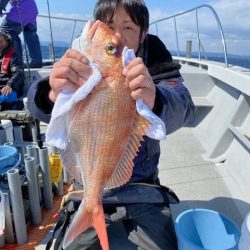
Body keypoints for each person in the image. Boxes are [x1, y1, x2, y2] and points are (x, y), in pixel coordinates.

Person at [27, 0, 195, 249]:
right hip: (86, 187)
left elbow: (185, 107)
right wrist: (51, 94)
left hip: (143, 190)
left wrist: (156, 100)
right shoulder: (81, 58)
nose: (117, 36)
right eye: (107, 26)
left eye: (127, 28)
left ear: (143, 34)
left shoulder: (156, 57)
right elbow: (36, 105)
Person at [0, 0, 42, 68]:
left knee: (6, 29)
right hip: (32, 9)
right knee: (31, 34)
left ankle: (17, 63)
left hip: (21, 9)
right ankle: (36, 62)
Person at [0, 30, 24, 110]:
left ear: (7, 42)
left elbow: (18, 72)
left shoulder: (14, 55)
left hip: (11, 87)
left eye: (0, 41)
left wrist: (10, 85)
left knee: (5, 99)